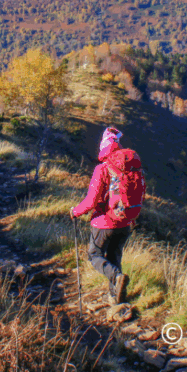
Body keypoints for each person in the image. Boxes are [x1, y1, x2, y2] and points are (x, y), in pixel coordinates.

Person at [71, 126, 145, 305]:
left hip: (104, 222)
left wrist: (75, 212)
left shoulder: (102, 169)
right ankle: (116, 296)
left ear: (103, 148)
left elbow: (91, 201)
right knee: (114, 256)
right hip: (125, 222)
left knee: (94, 255)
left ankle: (117, 278)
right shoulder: (129, 168)